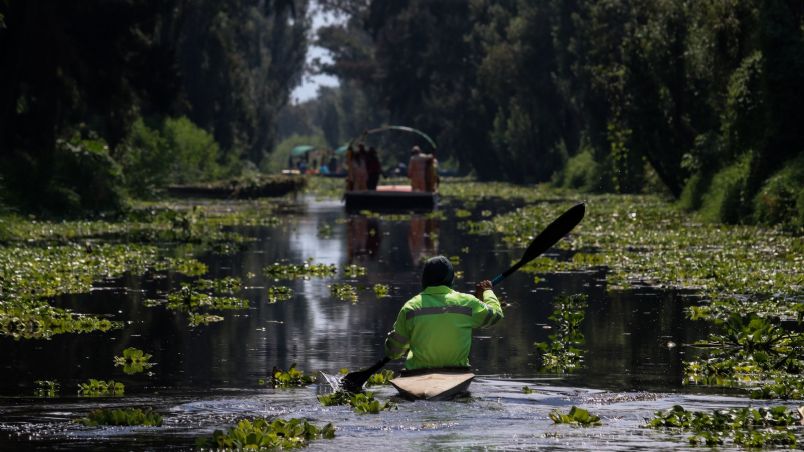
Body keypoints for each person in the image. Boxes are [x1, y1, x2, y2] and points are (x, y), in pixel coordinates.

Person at [383, 256, 504, 372]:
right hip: (457, 371)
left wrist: (407, 342)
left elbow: (394, 352)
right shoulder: (468, 303)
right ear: (451, 279)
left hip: (417, 372)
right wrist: (487, 291)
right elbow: (496, 315)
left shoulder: (410, 307)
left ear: (424, 279)